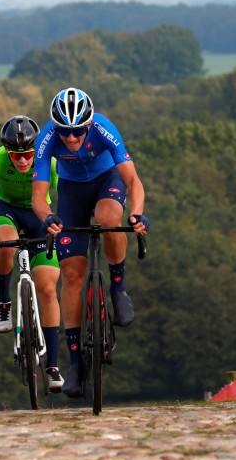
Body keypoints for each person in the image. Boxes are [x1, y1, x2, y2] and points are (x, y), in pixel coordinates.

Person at [32, 87, 149, 398]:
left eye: (77, 131)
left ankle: (118, 287)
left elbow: (133, 181)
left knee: (109, 218)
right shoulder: (46, 138)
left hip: (105, 181)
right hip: (71, 191)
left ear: (89, 124)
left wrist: (136, 214)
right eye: (64, 132)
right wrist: (47, 217)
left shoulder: (103, 129)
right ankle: (74, 363)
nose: (71, 138)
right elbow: (38, 196)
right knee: (70, 275)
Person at [0, 115, 65, 392]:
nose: (22, 161)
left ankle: (53, 366)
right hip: (7, 209)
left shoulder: (50, 159)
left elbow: (65, 194)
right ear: (6, 151)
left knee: (48, 288)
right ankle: (3, 302)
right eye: (15, 155)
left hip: (39, 215)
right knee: (5, 243)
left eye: (27, 155)